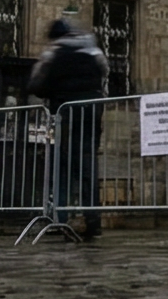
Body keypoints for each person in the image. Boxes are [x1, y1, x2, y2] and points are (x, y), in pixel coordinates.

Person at [28, 15, 109, 241]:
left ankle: (60, 219)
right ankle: (93, 222)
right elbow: (105, 73)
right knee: (87, 166)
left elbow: (36, 83)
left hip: (65, 114)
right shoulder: (92, 50)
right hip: (92, 112)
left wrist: (53, 92)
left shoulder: (54, 52)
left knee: (61, 166)